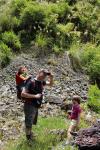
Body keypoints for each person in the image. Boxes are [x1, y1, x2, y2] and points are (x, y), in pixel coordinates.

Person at [21, 69, 53, 141]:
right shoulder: (31, 81)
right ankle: (28, 140)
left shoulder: (42, 82)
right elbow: (23, 93)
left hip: (36, 105)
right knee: (29, 123)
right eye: (43, 73)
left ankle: (29, 135)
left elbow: (50, 84)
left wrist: (51, 78)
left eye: (46, 75)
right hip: (29, 105)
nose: (44, 76)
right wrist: (35, 96)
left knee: (31, 122)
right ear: (39, 72)